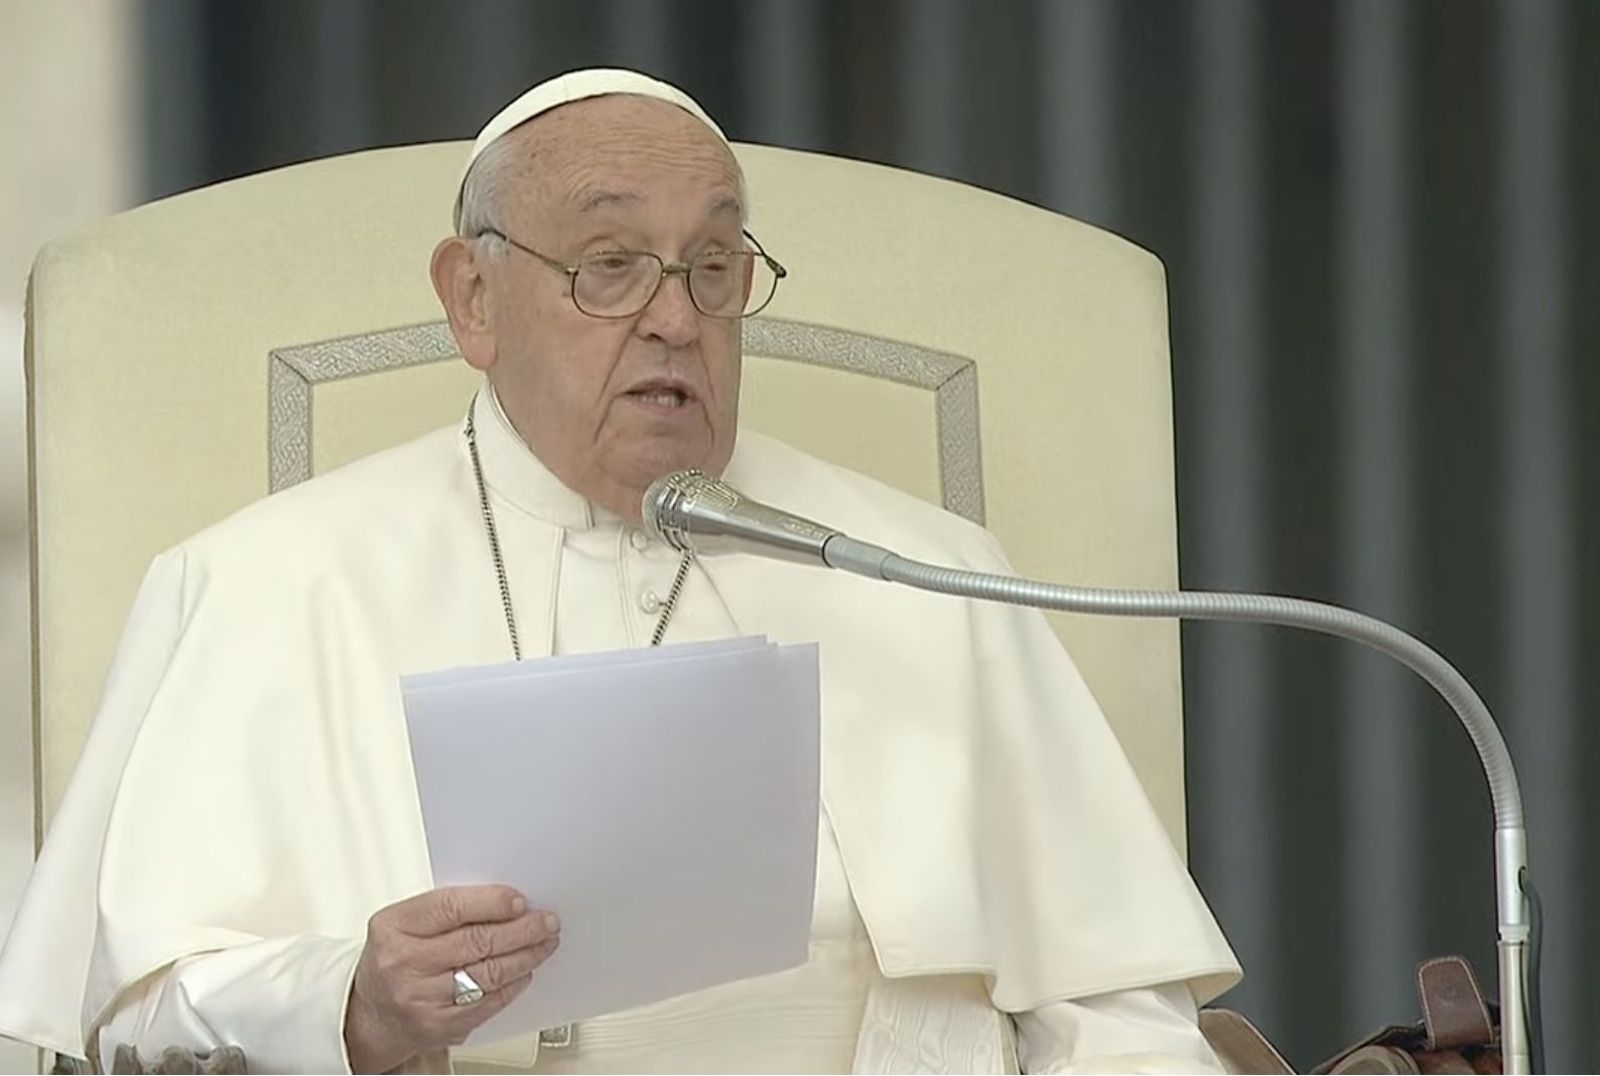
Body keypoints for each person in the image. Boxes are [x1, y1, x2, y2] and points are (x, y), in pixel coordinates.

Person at [0, 69, 1239, 1074]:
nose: (674, 318)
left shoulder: (927, 573)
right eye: (608, 265)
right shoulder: (260, 585)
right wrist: (355, 1004)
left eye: (712, 266)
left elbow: (1118, 1016)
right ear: (472, 298)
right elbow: (131, 1018)